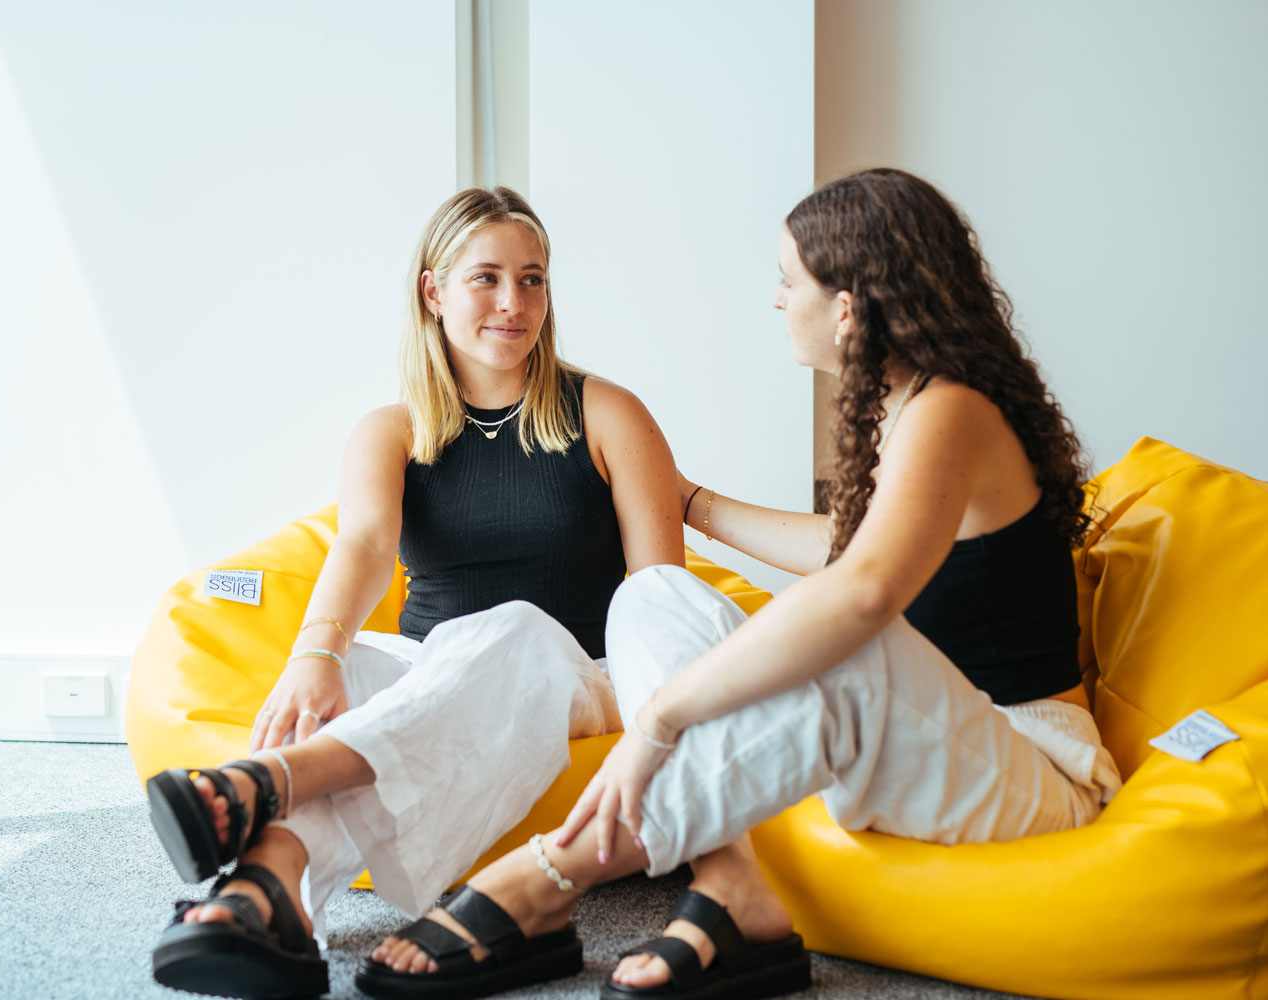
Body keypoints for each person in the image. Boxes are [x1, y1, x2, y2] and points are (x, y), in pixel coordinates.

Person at [361, 168, 1122, 1000]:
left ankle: (541, 878)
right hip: (926, 737)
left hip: (1031, 763)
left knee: (845, 643)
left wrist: (661, 721)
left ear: (846, 306)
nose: (777, 299)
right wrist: (691, 502)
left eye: (789, 280)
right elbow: (846, 549)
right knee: (650, 598)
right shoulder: (914, 405)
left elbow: (862, 590)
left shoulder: (952, 408)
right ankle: (734, 892)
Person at [144, 186, 682, 1000]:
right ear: (434, 291)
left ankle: (273, 782)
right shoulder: (392, 430)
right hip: (435, 668)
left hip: (579, 672)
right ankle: (267, 894)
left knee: (516, 629)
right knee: (358, 669)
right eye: (487, 278)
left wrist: (652, 708)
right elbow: (363, 544)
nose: (514, 303)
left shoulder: (607, 412)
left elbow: (659, 597)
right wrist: (319, 653)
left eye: (532, 280)